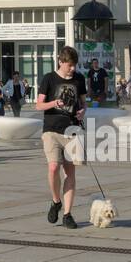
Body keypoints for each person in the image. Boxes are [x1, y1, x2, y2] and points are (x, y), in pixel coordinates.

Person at [37, 46, 86, 230]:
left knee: (70, 173)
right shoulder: (49, 78)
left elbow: (83, 103)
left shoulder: (79, 79)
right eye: (70, 65)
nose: (73, 69)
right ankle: (56, 201)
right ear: (61, 61)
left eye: (74, 65)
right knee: (53, 167)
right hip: (51, 130)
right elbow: (39, 105)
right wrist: (54, 103)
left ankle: (67, 214)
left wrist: (82, 112)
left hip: (72, 130)